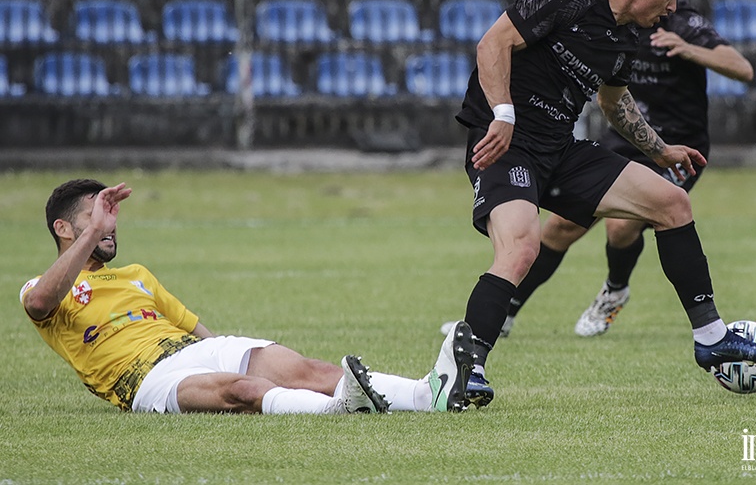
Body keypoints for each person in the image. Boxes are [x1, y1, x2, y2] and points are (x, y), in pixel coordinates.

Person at [452, 0, 756, 408]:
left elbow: (614, 102)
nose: (672, 7)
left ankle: (711, 337)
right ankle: (468, 368)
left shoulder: (627, 38)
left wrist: (661, 150)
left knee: (672, 202)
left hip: (560, 150)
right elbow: (492, 44)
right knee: (522, 246)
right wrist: (503, 114)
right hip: (507, 145)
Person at [21, 179, 475, 415]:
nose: (110, 223)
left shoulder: (136, 275)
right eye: (97, 215)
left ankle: (426, 394)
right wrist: (93, 233)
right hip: (143, 381)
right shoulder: (43, 289)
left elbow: (199, 331)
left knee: (307, 370)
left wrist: (230, 350)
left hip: (192, 351)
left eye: (111, 213)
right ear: (64, 229)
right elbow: (41, 303)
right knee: (244, 391)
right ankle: (338, 410)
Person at [502, 0, 755, 339]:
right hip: (625, 138)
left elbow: (743, 68)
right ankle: (506, 312)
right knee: (562, 224)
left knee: (623, 225)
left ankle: (615, 292)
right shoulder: (611, 20)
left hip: (679, 139)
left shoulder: (680, 21)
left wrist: (690, 50)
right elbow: (611, 98)